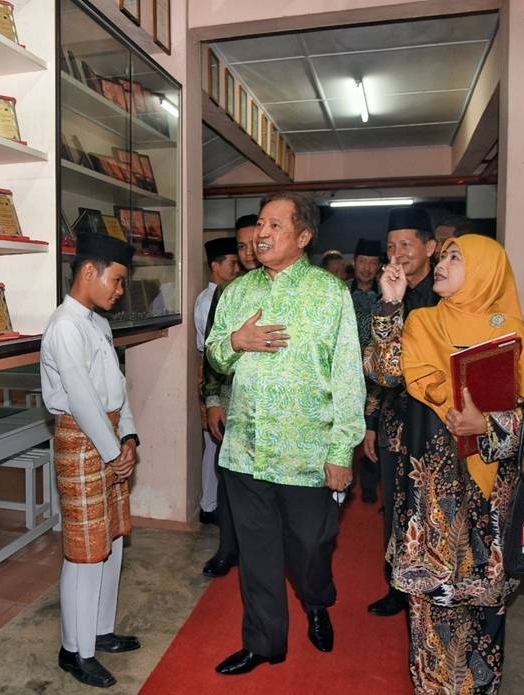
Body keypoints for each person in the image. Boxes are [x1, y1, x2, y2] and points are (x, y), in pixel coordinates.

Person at [366, 234, 524, 694]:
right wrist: (390, 306)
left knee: (484, 622)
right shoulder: (422, 322)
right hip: (430, 498)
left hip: (490, 503)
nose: (444, 263)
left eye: (457, 257)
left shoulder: (509, 331)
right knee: (430, 617)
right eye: (445, 255)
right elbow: (385, 372)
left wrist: (486, 424)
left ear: (487, 271)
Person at [207, 192, 365, 675]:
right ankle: (264, 642)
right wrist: (236, 341)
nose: (262, 232)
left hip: (308, 454)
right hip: (246, 453)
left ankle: (316, 601)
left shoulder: (329, 293)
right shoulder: (237, 292)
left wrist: (342, 449)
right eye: (260, 223)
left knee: (311, 547)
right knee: (257, 555)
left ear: (302, 236)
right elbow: (214, 355)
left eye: (276, 224)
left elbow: (347, 376)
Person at [41, 232, 141, 689]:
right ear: (89, 271)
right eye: (117, 281)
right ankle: (73, 650)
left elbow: (117, 388)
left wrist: (130, 437)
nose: (119, 291)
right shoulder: (65, 325)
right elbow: (81, 399)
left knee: (111, 541)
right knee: (84, 553)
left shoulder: (97, 324)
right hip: (83, 442)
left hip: (109, 438)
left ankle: (99, 630)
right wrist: (113, 450)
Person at [366, 206, 439, 618]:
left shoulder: (445, 293)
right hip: (397, 423)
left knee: (431, 508)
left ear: (429, 247)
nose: (398, 253)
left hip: (438, 426)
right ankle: (398, 586)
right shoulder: (390, 294)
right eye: (391, 246)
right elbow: (380, 369)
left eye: (406, 244)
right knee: (397, 508)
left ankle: (432, 586)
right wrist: (372, 424)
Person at [199, 214, 260, 578]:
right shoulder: (226, 292)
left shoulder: (286, 289)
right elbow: (211, 352)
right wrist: (212, 402)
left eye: (254, 243)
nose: (249, 252)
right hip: (232, 402)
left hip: (273, 409)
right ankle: (227, 549)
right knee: (229, 479)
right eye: (241, 246)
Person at [194, 237, 241, 526]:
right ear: (215, 265)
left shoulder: (227, 294)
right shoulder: (208, 299)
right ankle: (208, 505)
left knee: (216, 444)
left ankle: (211, 503)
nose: (237, 268)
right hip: (214, 371)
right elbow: (212, 344)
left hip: (223, 373)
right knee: (214, 443)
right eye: (232, 263)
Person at [348, 238, 382, 504]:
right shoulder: (341, 293)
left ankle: (369, 484)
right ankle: (344, 481)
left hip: (375, 376)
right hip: (346, 373)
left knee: (373, 426)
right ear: (354, 263)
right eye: (363, 262)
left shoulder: (388, 297)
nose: (367, 268)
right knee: (346, 428)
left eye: (373, 263)